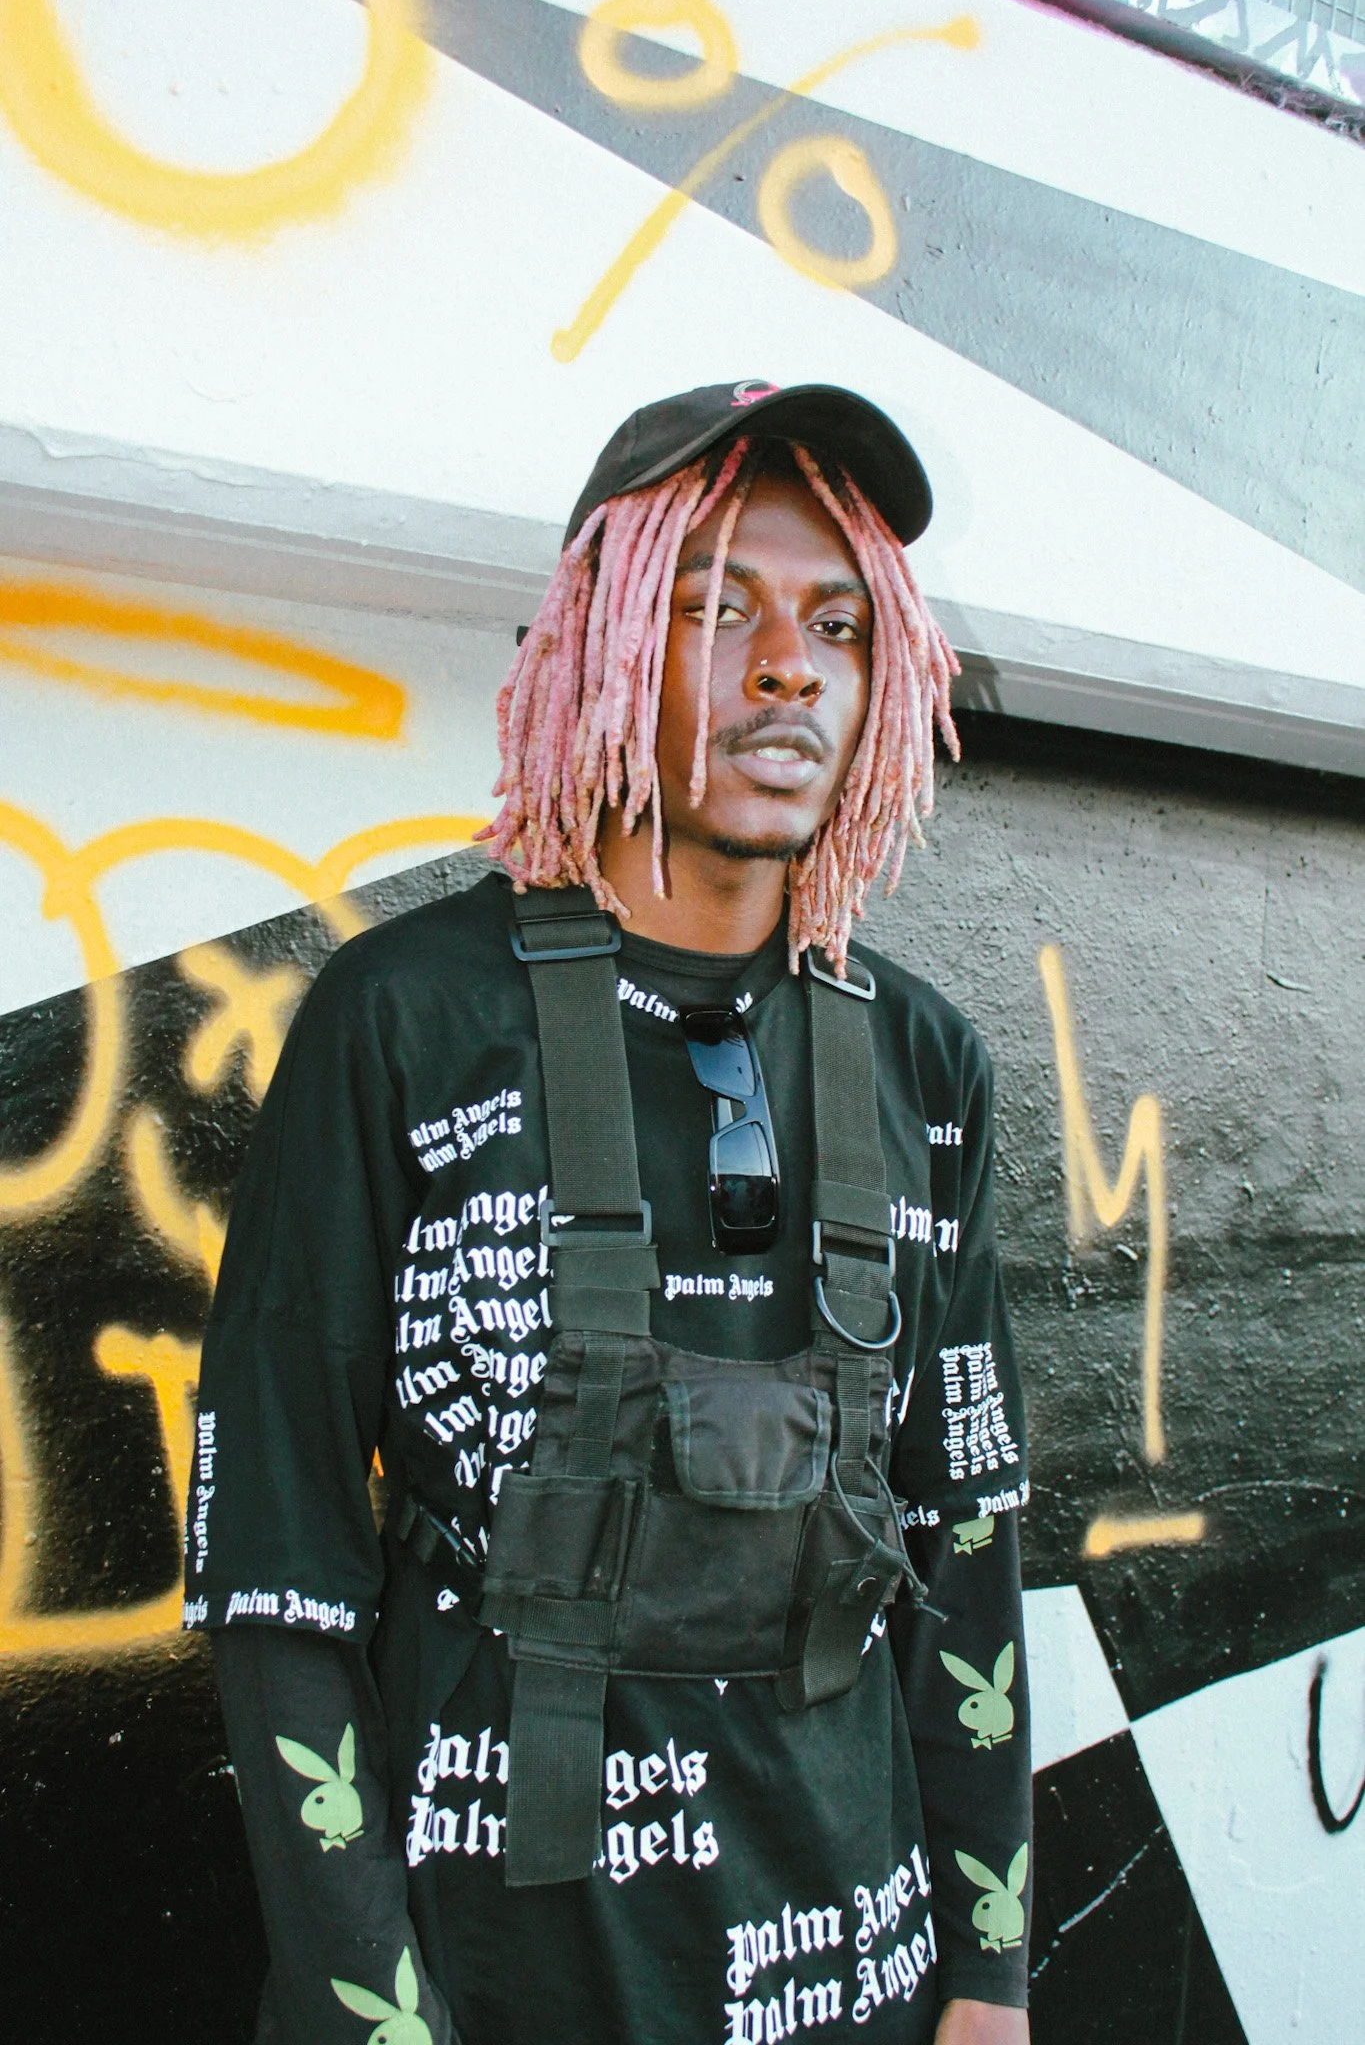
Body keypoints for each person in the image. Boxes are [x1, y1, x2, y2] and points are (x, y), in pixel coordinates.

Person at [187, 380, 1032, 2045]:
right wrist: (372, 2012)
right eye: (714, 608)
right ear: (600, 650)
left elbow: (971, 1541)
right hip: (500, 1981)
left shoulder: (927, 1063)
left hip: (853, 1977)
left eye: (838, 624)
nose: (788, 665)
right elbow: (278, 1570)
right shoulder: (404, 1022)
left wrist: (989, 1978)